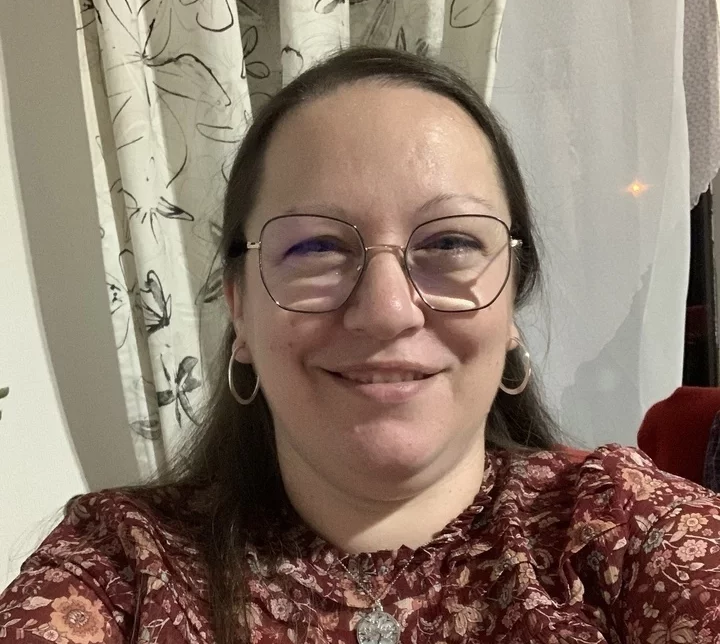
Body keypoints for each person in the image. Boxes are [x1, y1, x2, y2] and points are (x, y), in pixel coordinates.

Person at [2, 48, 720, 644]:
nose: (385, 311)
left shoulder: (626, 533)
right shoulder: (120, 567)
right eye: (315, 247)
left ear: (510, 303)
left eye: (450, 242)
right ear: (240, 308)